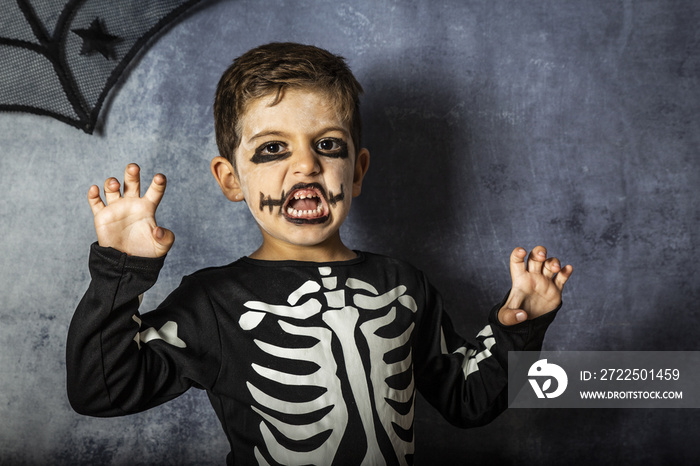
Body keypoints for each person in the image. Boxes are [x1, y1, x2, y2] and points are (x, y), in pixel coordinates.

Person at [67, 42, 572, 466]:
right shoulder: (212, 301)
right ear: (230, 179)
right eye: (272, 149)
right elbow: (100, 391)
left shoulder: (403, 285)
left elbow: (469, 401)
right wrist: (122, 271)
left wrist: (520, 326)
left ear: (356, 171)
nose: (306, 165)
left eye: (328, 145)